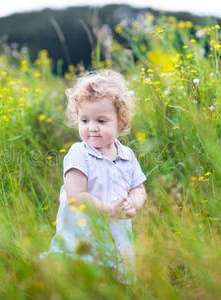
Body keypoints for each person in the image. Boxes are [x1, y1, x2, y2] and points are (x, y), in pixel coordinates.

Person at [43, 70, 147, 283]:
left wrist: (133, 205)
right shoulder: (79, 153)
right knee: (83, 282)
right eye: (84, 120)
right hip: (82, 239)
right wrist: (108, 210)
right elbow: (76, 195)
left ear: (121, 121)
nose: (92, 128)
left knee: (115, 283)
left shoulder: (127, 156)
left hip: (116, 238)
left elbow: (138, 188)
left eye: (101, 121)